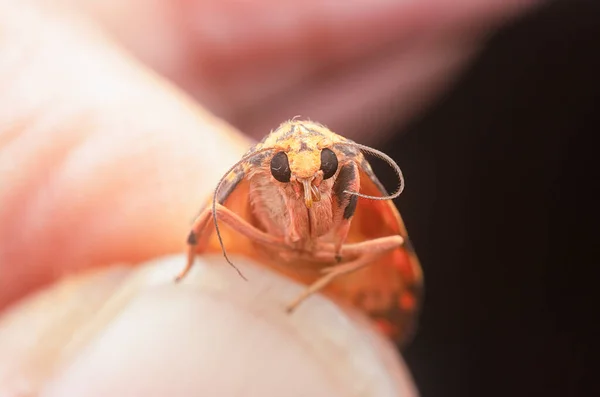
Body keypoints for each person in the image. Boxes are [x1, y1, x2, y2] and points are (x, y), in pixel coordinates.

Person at [0, 1, 539, 395]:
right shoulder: (251, 178)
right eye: (285, 171)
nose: (307, 182)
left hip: (332, 269)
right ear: (271, 167)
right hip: (254, 261)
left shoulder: (344, 172)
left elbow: (386, 242)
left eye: (325, 170)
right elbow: (212, 218)